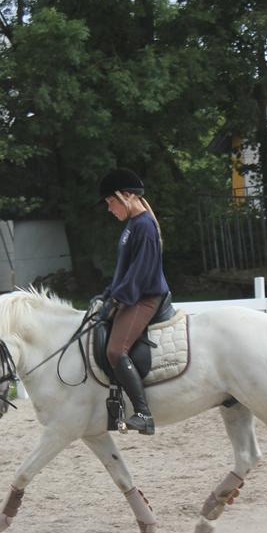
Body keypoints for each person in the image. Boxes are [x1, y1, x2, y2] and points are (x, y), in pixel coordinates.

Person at [95, 167, 170, 436]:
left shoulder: (145, 226)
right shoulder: (132, 226)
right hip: (133, 293)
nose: (109, 208)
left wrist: (117, 299)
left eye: (110, 202)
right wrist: (107, 294)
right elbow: (124, 270)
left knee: (116, 350)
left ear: (125, 196)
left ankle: (143, 413)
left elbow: (140, 273)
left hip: (145, 297)